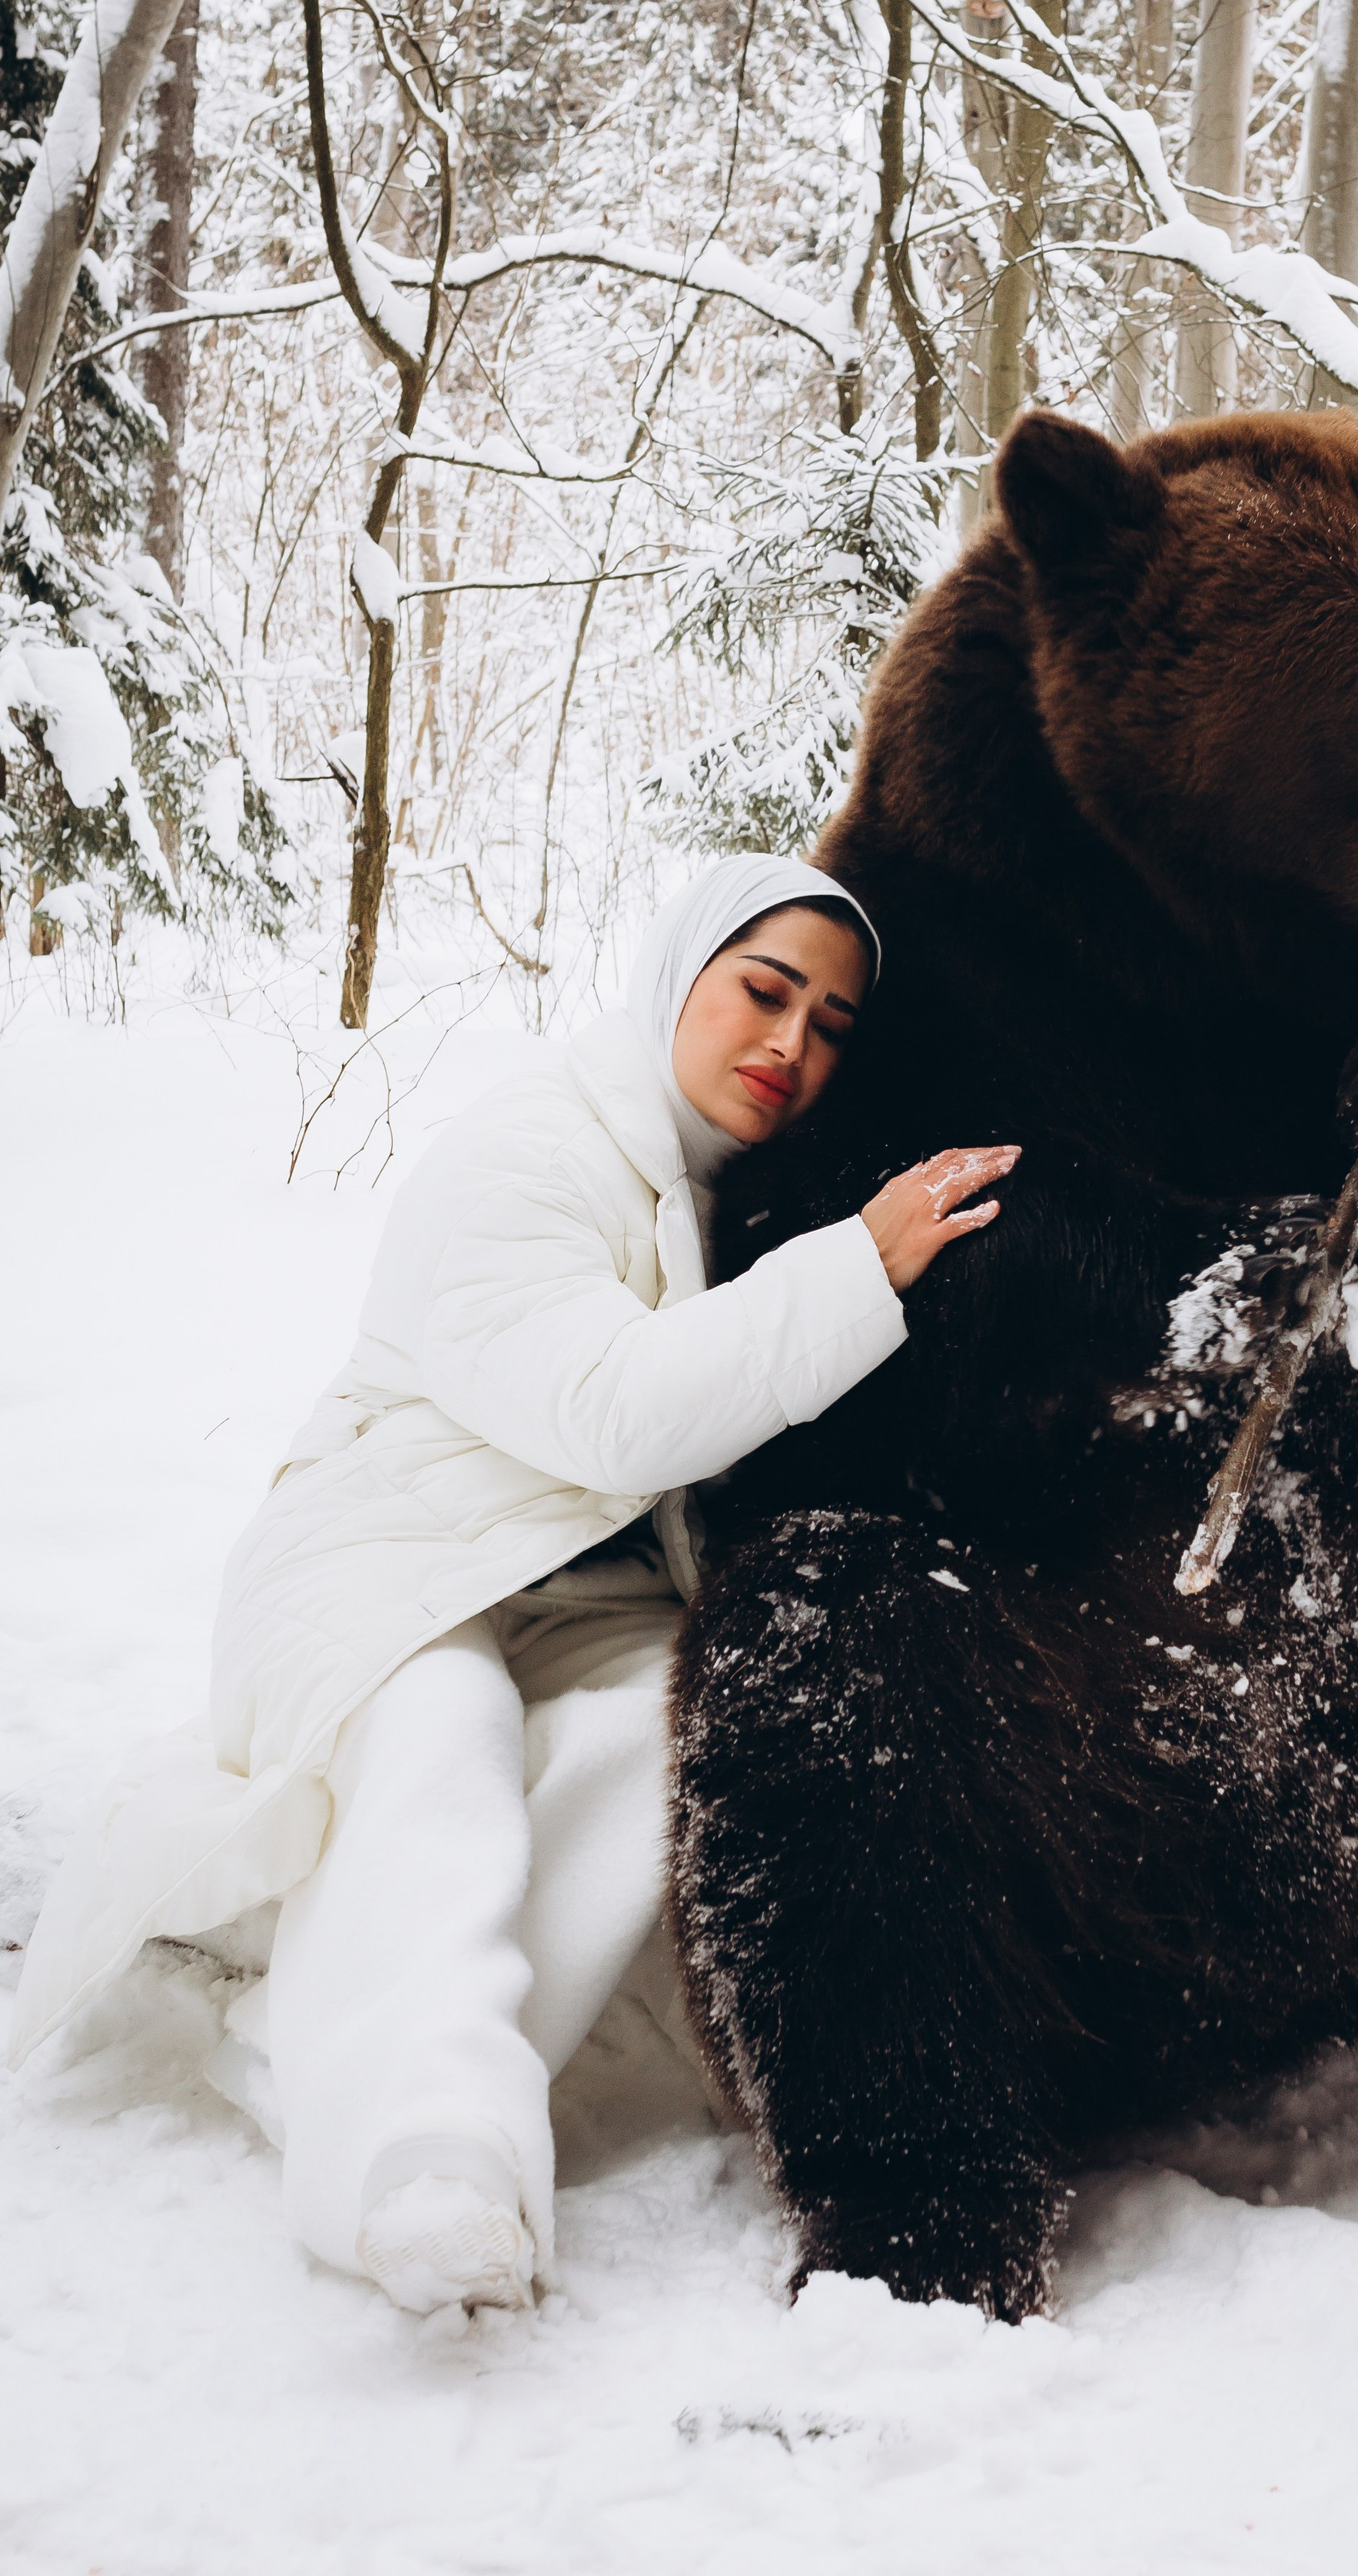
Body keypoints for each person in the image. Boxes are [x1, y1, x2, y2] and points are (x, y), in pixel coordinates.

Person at [9, 854, 1016, 2314]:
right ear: (681, 975)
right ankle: (430, 2156)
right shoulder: (530, 1150)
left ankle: (321, 2041)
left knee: (650, 1758)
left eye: (833, 1025)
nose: (792, 1044)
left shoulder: (730, 1183)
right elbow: (606, 1411)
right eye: (763, 990)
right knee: (438, 1737)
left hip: (579, 1598)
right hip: (385, 1563)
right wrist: (855, 1268)